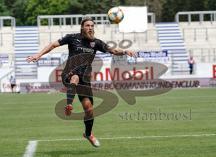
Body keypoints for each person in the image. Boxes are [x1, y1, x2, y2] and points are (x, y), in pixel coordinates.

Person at [26, 17, 135, 147]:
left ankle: (88, 134)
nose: (90, 28)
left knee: (89, 109)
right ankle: (69, 105)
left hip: (85, 79)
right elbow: (53, 45)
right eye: (88, 25)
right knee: (74, 77)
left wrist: (125, 51)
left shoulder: (96, 43)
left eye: (92, 26)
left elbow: (113, 51)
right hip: (69, 74)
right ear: (82, 27)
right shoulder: (72, 38)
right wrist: (38, 55)